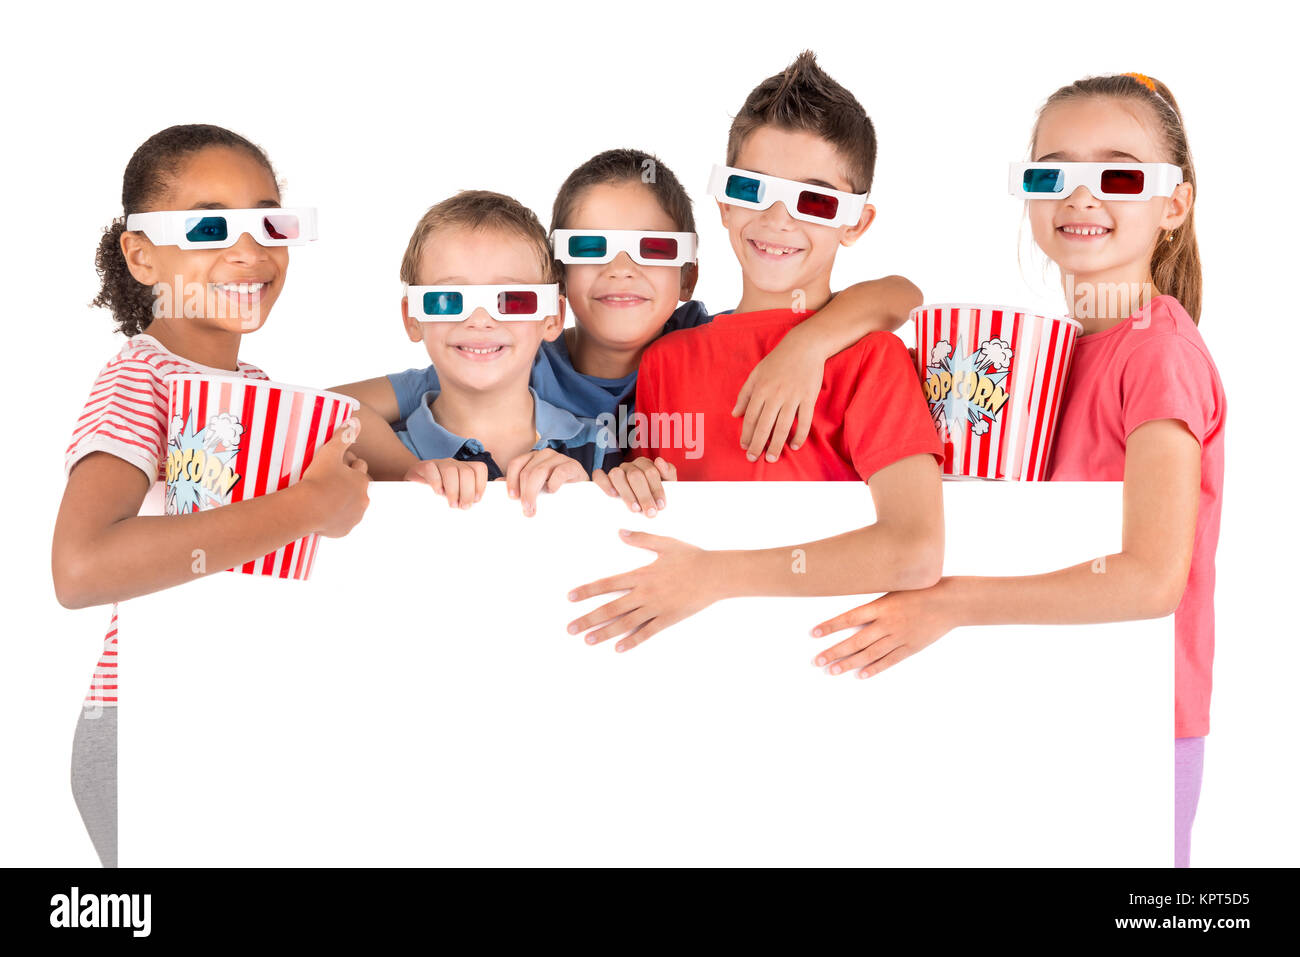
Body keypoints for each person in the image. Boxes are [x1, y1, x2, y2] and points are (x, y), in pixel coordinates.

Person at [811, 73, 1223, 869]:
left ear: (1175, 204)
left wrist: (949, 604)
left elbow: (1150, 579)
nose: (1081, 196)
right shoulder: (1051, 355)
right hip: (1055, 692)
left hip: (1137, 712)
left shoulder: (1158, 352)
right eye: (1052, 172)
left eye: (1120, 174)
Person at [52, 125, 371, 866]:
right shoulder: (142, 379)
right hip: (145, 723)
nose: (251, 251)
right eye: (208, 225)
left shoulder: (260, 396)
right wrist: (310, 507)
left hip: (226, 708)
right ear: (141, 254)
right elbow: (80, 567)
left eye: (270, 219)